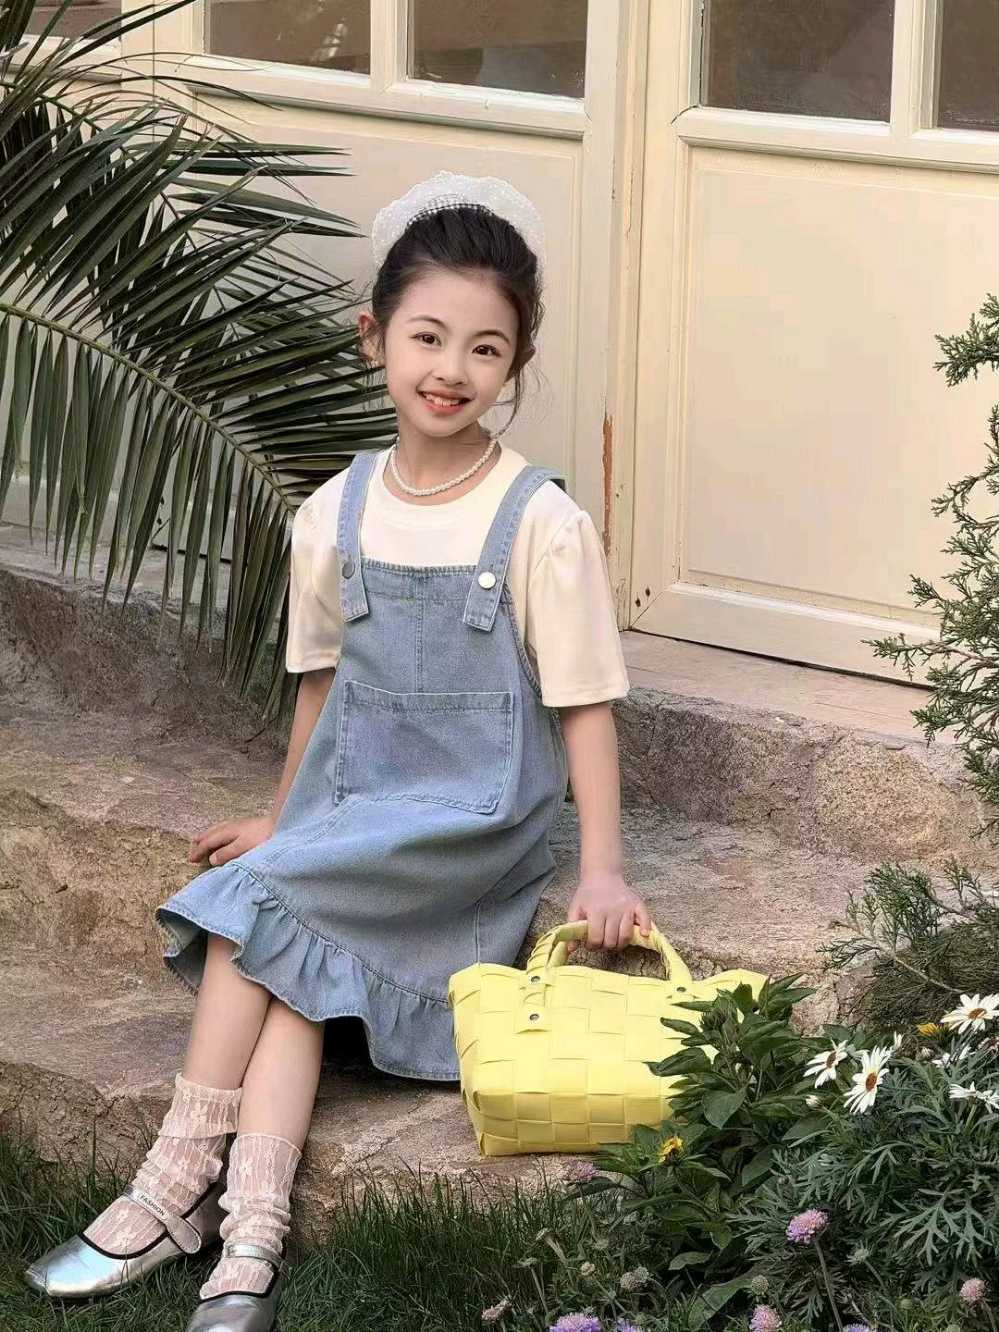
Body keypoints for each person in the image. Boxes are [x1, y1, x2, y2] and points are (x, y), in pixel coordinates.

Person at [23, 169, 652, 1332]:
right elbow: (322, 688)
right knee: (291, 970)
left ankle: (166, 1189)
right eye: (427, 336)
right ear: (374, 338)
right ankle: (249, 1247)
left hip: (467, 831)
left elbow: (584, 708)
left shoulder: (540, 523)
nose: (450, 369)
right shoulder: (334, 513)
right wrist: (287, 819)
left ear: (515, 363)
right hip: (357, 817)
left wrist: (603, 868)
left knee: (255, 914)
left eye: (485, 348)